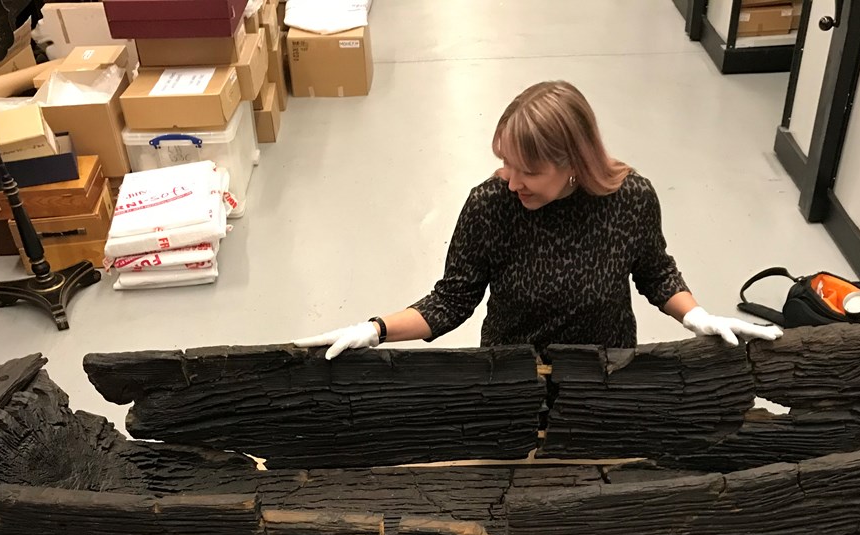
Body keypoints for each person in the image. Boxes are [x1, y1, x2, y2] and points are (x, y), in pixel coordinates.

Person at [295, 80, 781, 360]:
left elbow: (654, 271)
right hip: (512, 373)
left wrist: (696, 316)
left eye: (528, 171)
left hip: (602, 372)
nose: (511, 181)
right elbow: (452, 300)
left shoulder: (630, 197)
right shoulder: (490, 205)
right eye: (505, 162)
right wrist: (375, 329)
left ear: (574, 164)